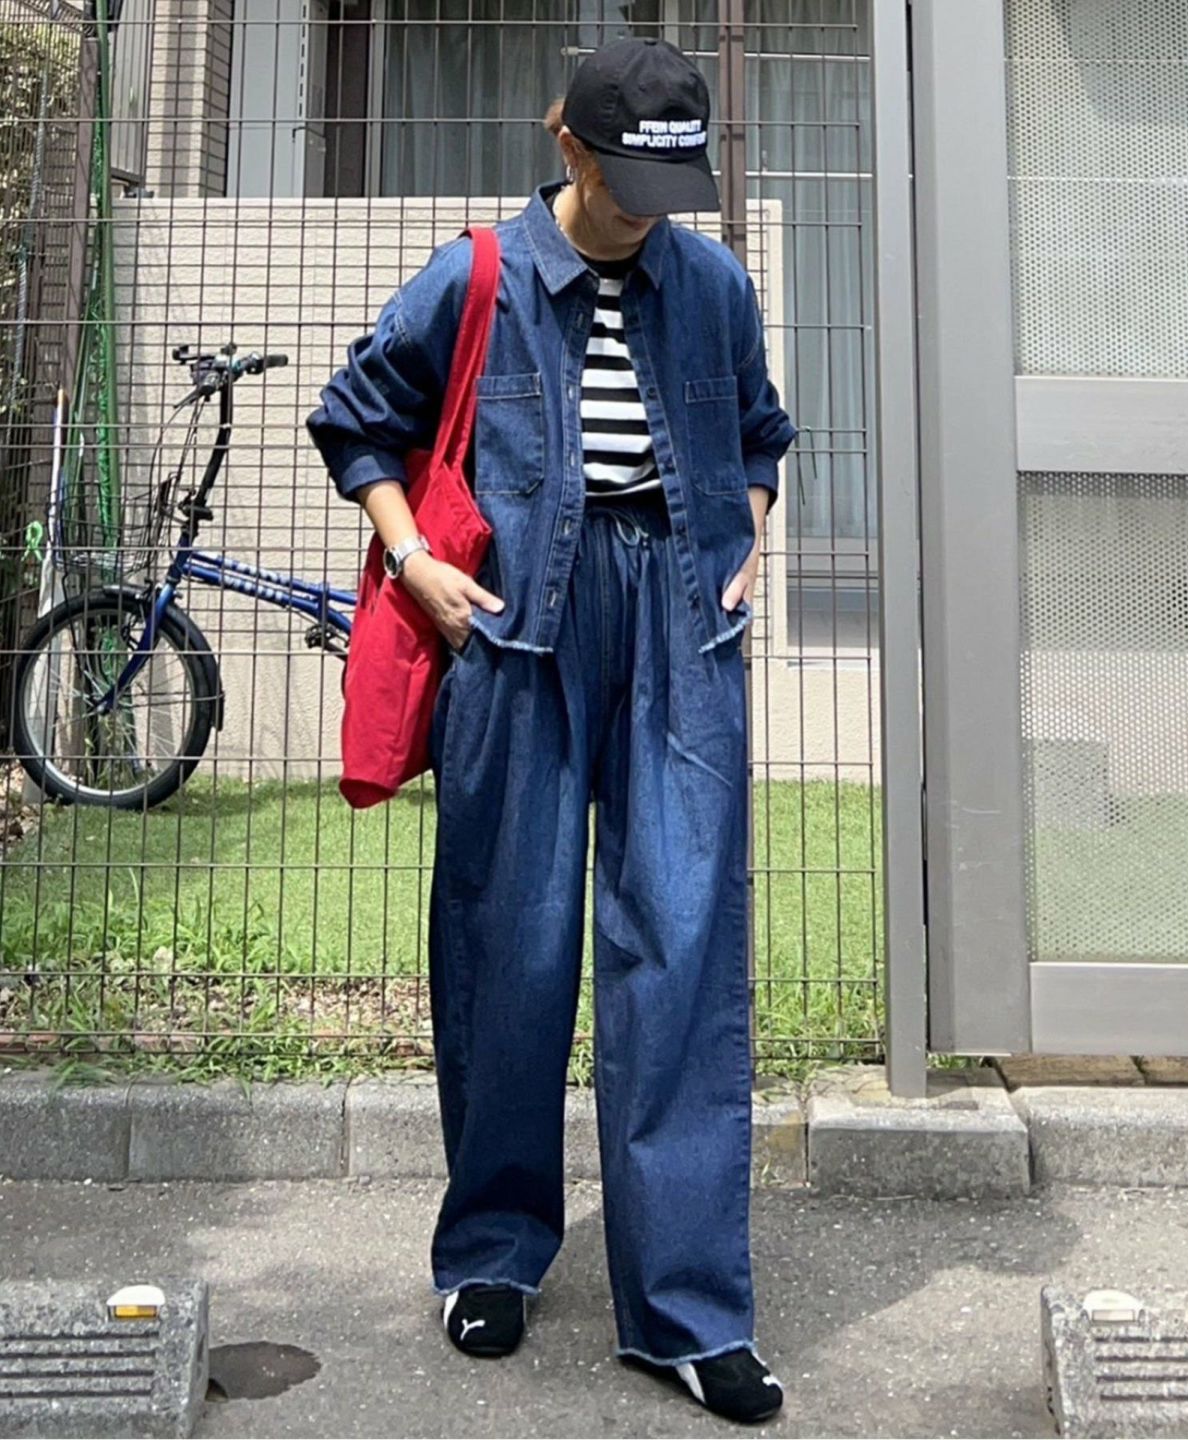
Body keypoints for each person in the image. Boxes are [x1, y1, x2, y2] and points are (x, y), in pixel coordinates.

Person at [307, 36, 796, 1425]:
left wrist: (748, 536)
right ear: (567, 142)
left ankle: (686, 1311)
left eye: (672, 186)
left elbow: (759, 434)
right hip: (516, 629)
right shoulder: (478, 277)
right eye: (629, 178)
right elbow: (358, 422)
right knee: (507, 945)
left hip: (681, 631)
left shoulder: (713, 286)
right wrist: (412, 560)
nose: (650, 211)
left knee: (682, 950)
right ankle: (493, 1252)